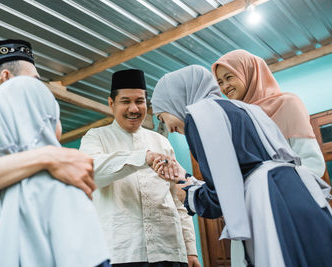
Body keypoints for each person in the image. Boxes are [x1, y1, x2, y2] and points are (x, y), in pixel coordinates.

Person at [0, 40, 97, 267]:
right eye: (34, 83)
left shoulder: (26, 143)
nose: (40, 92)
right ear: (7, 79)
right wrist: (48, 157)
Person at [151, 65, 332, 267]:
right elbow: (240, 171)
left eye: (162, 117)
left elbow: (219, 198)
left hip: (268, 202)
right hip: (297, 193)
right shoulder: (246, 108)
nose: (168, 128)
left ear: (173, 98)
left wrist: (186, 194)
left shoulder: (198, 116)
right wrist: (187, 180)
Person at [79, 69, 200, 267]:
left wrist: (190, 249)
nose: (134, 109)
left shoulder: (161, 142)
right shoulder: (96, 137)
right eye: (126, 101)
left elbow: (177, 199)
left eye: (140, 101)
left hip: (169, 250)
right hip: (124, 253)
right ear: (112, 104)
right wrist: (144, 158)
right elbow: (92, 172)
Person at [211, 49, 325, 178]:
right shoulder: (239, 117)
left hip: (295, 192)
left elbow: (313, 163)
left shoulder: (286, 104)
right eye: (220, 82)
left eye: (229, 77)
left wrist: (279, 187)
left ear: (248, 72)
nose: (225, 86)